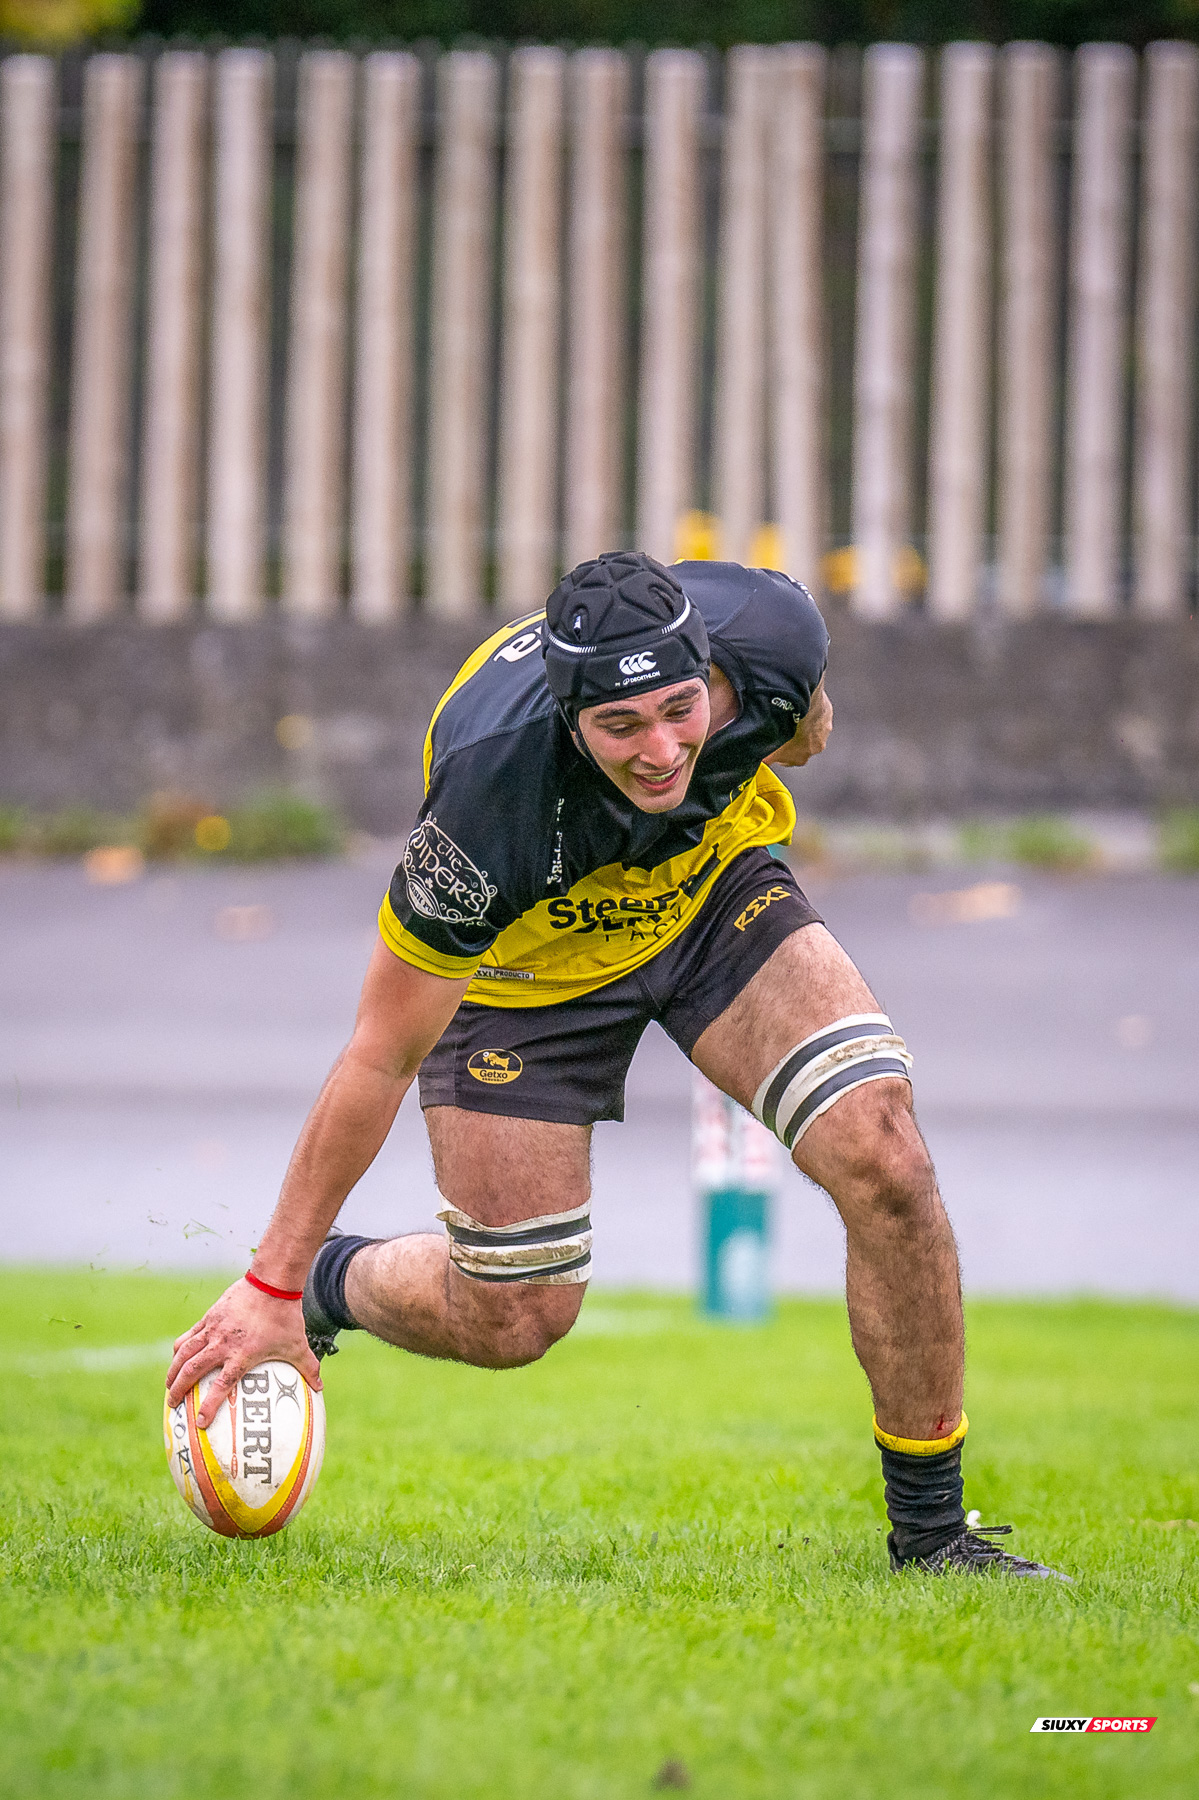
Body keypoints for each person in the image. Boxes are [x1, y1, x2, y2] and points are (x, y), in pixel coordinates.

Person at [167, 551, 1066, 1579]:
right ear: (567, 715)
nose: (661, 750)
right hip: (528, 977)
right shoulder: (484, 806)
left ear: (707, 664)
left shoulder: (770, 636)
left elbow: (804, 727)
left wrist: (768, 729)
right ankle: (339, 1278)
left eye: (682, 710)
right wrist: (275, 1282)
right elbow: (379, 1054)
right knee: (514, 1316)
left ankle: (934, 1535)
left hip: (706, 895)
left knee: (884, 1156)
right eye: (620, 726)